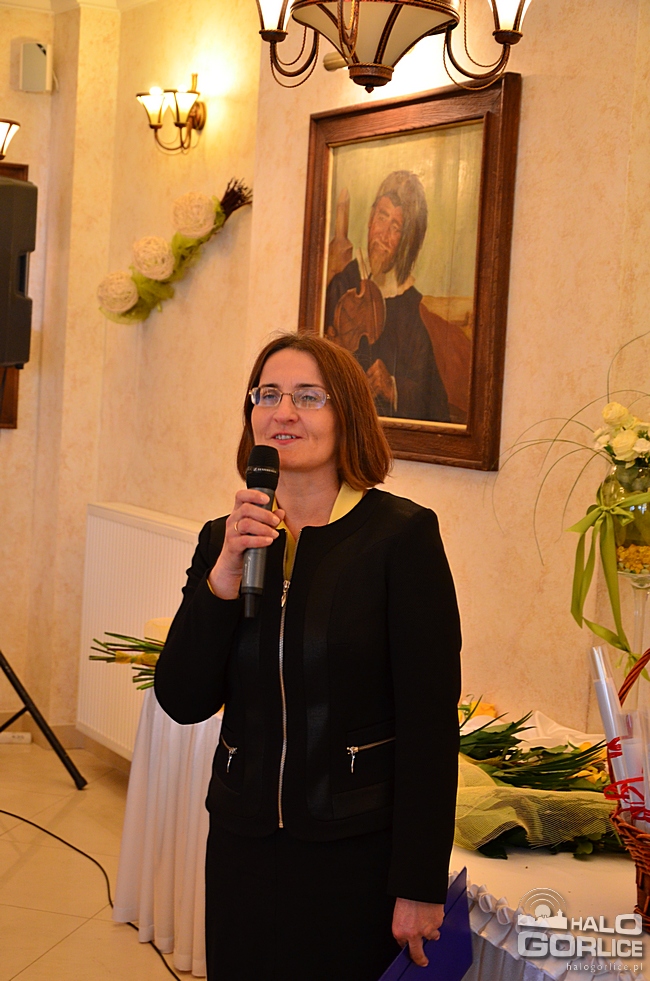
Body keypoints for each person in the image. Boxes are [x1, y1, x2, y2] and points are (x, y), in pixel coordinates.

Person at [154, 332, 461, 981]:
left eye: (307, 397)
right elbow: (182, 699)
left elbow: (430, 725)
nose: (283, 412)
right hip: (242, 838)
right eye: (267, 395)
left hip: (352, 848)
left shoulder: (400, 537)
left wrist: (419, 882)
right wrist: (222, 577)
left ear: (346, 413)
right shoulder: (223, 539)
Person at [325, 171, 451, 423]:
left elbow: (434, 401)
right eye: (382, 218)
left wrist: (393, 386)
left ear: (405, 242)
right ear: (371, 219)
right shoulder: (342, 286)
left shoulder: (410, 310)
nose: (382, 236)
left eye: (395, 228)